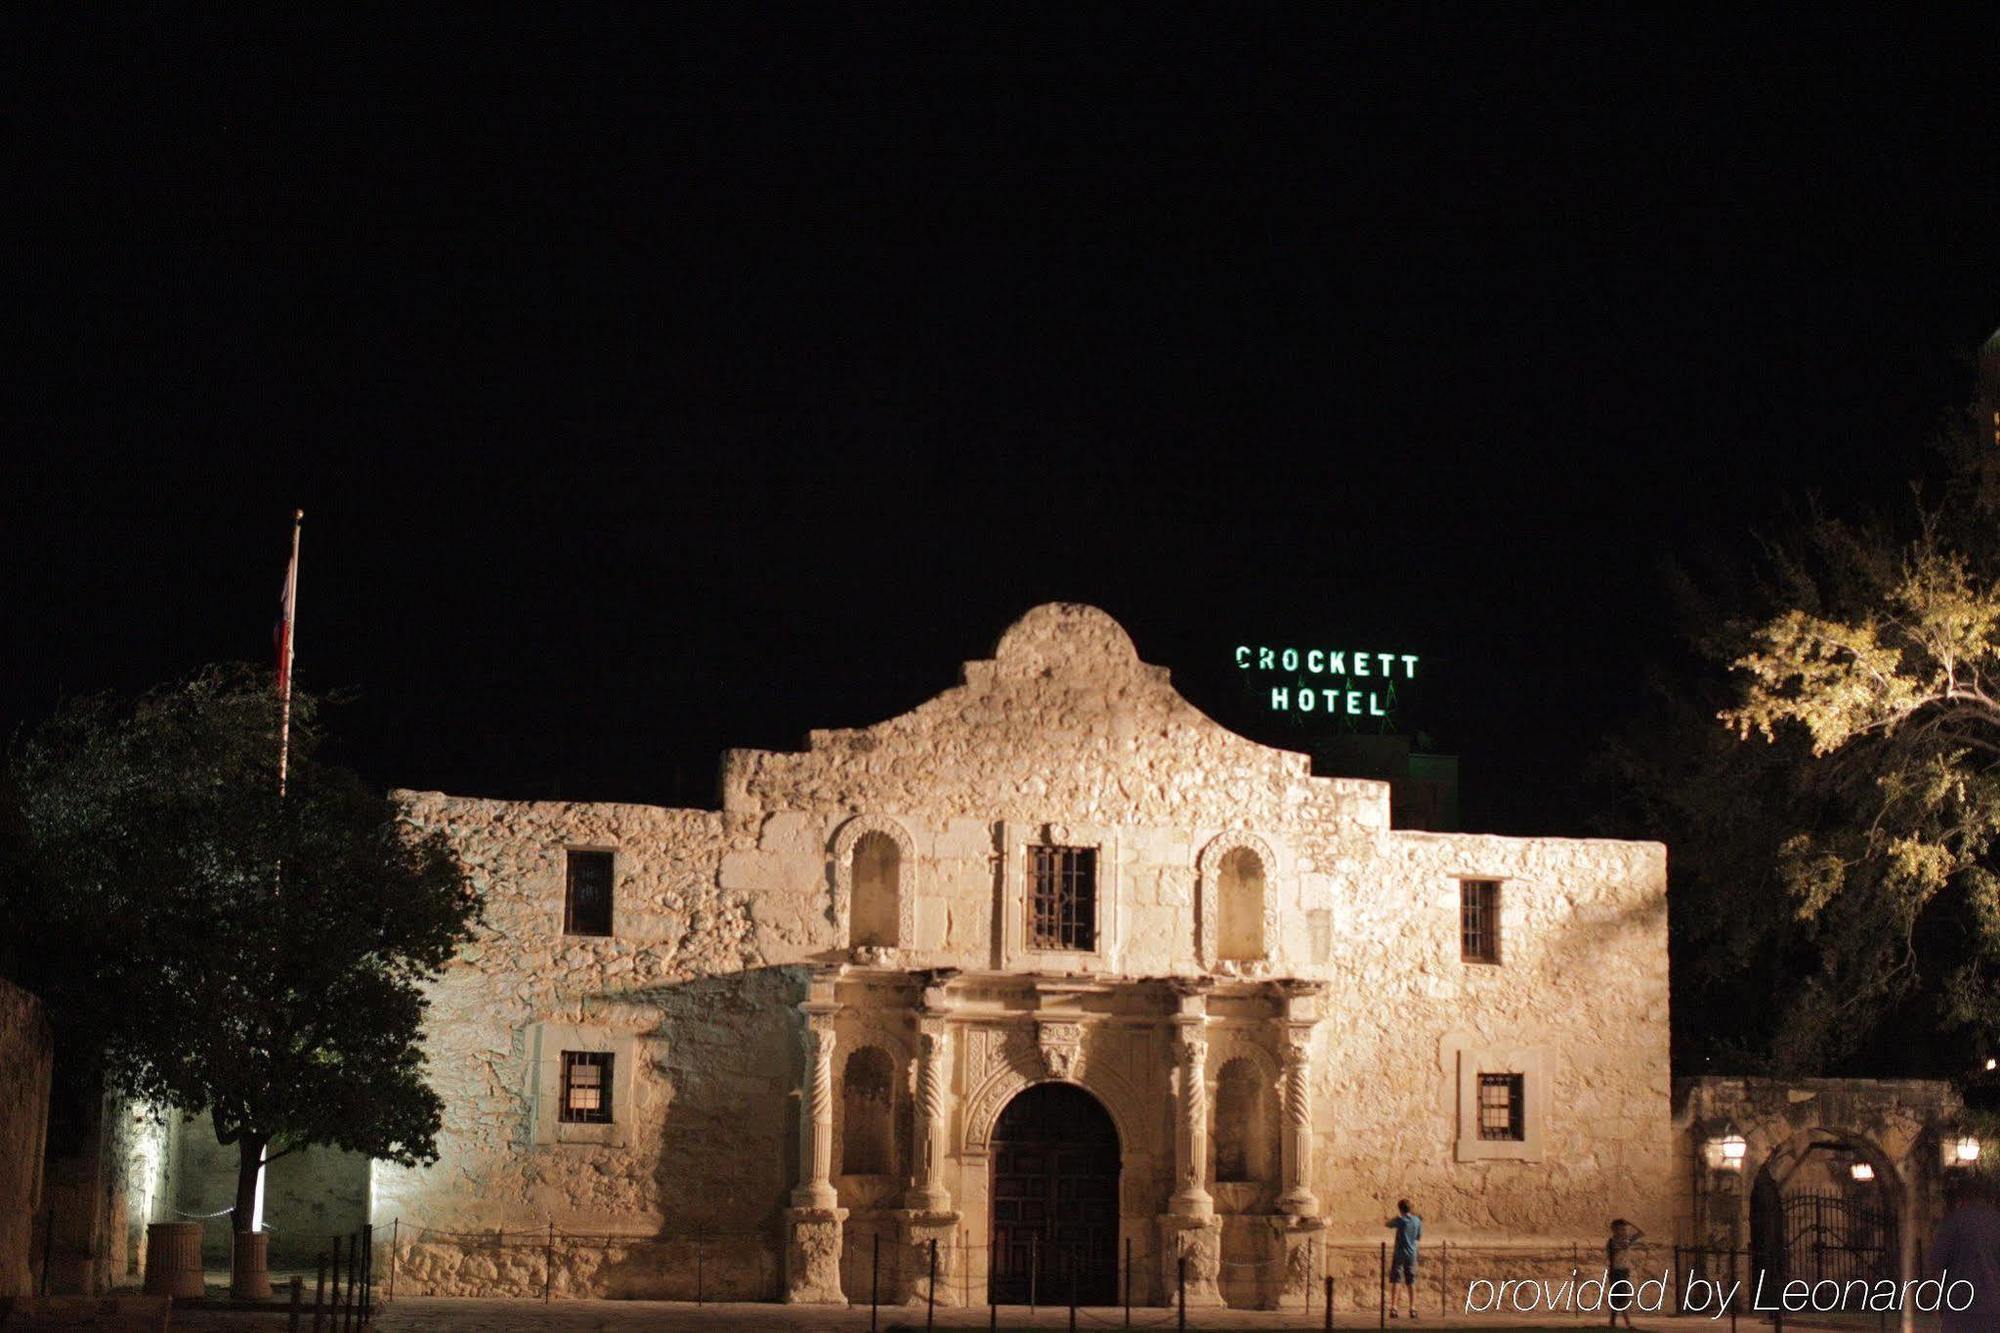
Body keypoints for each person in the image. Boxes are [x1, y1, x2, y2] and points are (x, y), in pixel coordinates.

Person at [1930, 1173, 2000, 1333]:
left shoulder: (1953, 1222)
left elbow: (1937, 1264)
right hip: (1994, 1308)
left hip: (1960, 1307)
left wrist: (1938, 1301)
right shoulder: (1996, 1222)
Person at [1385, 1198, 1422, 1318]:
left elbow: (1388, 1224)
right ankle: (1413, 1308)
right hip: (1412, 1254)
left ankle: (1394, 1307)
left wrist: (1396, 1217)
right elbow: (1418, 1237)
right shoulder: (1417, 1220)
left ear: (1400, 1209)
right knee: (1411, 1281)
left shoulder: (1400, 1220)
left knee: (1396, 1280)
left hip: (1399, 1253)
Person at [1605, 1219, 1644, 1329]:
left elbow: (1641, 1233)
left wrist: (1630, 1223)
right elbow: (1618, 1249)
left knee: (1620, 1297)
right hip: (1616, 1271)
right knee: (1620, 1297)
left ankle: (1613, 1322)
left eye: (1623, 1229)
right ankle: (1627, 1323)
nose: (1623, 1231)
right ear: (1614, 1230)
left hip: (1624, 1271)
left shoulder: (1624, 1241)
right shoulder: (1613, 1242)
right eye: (1620, 1229)